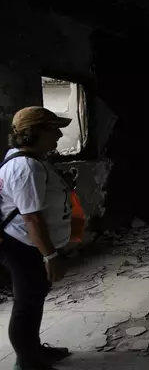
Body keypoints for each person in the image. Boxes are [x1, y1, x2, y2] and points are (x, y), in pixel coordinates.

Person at [0, 106, 75, 370]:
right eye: (53, 129)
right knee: (27, 302)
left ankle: (33, 350)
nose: (58, 134)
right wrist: (50, 256)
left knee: (34, 298)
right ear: (34, 133)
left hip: (29, 243)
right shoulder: (26, 167)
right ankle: (28, 362)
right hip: (23, 244)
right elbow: (32, 218)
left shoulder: (34, 160)